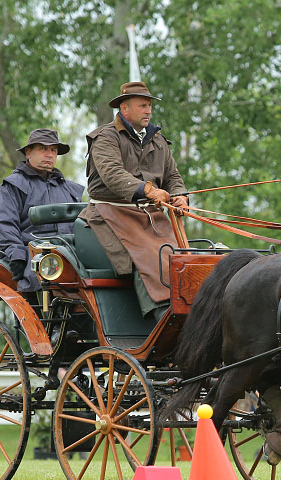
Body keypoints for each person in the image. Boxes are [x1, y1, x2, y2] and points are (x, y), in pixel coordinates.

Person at [79, 81, 189, 316]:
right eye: (142, 106)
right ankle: (163, 316)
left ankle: (188, 310)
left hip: (150, 216)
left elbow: (172, 177)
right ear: (125, 109)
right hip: (110, 213)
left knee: (183, 257)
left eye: (149, 106)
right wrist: (149, 190)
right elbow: (113, 174)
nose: (148, 111)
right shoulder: (105, 137)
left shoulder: (158, 140)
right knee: (151, 257)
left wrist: (180, 196)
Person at [0, 129, 85, 294]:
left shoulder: (69, 189)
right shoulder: (13, 186)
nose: (49, 154)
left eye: (53, 150)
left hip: (72, 259)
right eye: (43, 148)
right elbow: (4, 225)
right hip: (34, 260)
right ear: (28, 153)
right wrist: (17, 256)